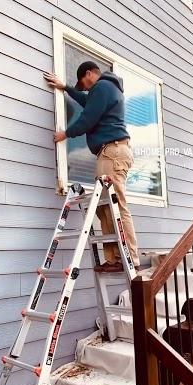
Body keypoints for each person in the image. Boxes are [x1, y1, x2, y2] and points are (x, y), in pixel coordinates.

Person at [44, 63, 140, 273]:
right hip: (111, 152)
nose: (85, 88)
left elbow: (88, 118)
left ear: (89, 73)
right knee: (106, 207)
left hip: (112, 152)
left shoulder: (103, 87)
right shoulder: (106, 90)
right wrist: (66, 88)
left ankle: (130, 258)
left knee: (117, 205)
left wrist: (65, 134)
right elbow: (87, 102)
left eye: (85, 84)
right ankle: (115, 258)